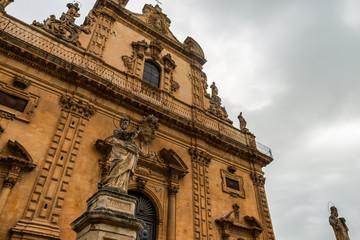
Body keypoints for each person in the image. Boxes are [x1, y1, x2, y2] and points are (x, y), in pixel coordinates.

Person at [100, 117, 142, 192]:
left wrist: (135, 149)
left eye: (127, 123)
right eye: (124, 122)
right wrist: (137, 131)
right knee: (117, 167)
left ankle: (121, 186)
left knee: (124, 172)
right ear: (120, 124)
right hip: (118, 155)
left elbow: (135, 148)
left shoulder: (131, 140)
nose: (125, 124)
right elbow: (127, 136)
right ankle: (111, 183)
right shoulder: (117, 132)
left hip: (128, 158)